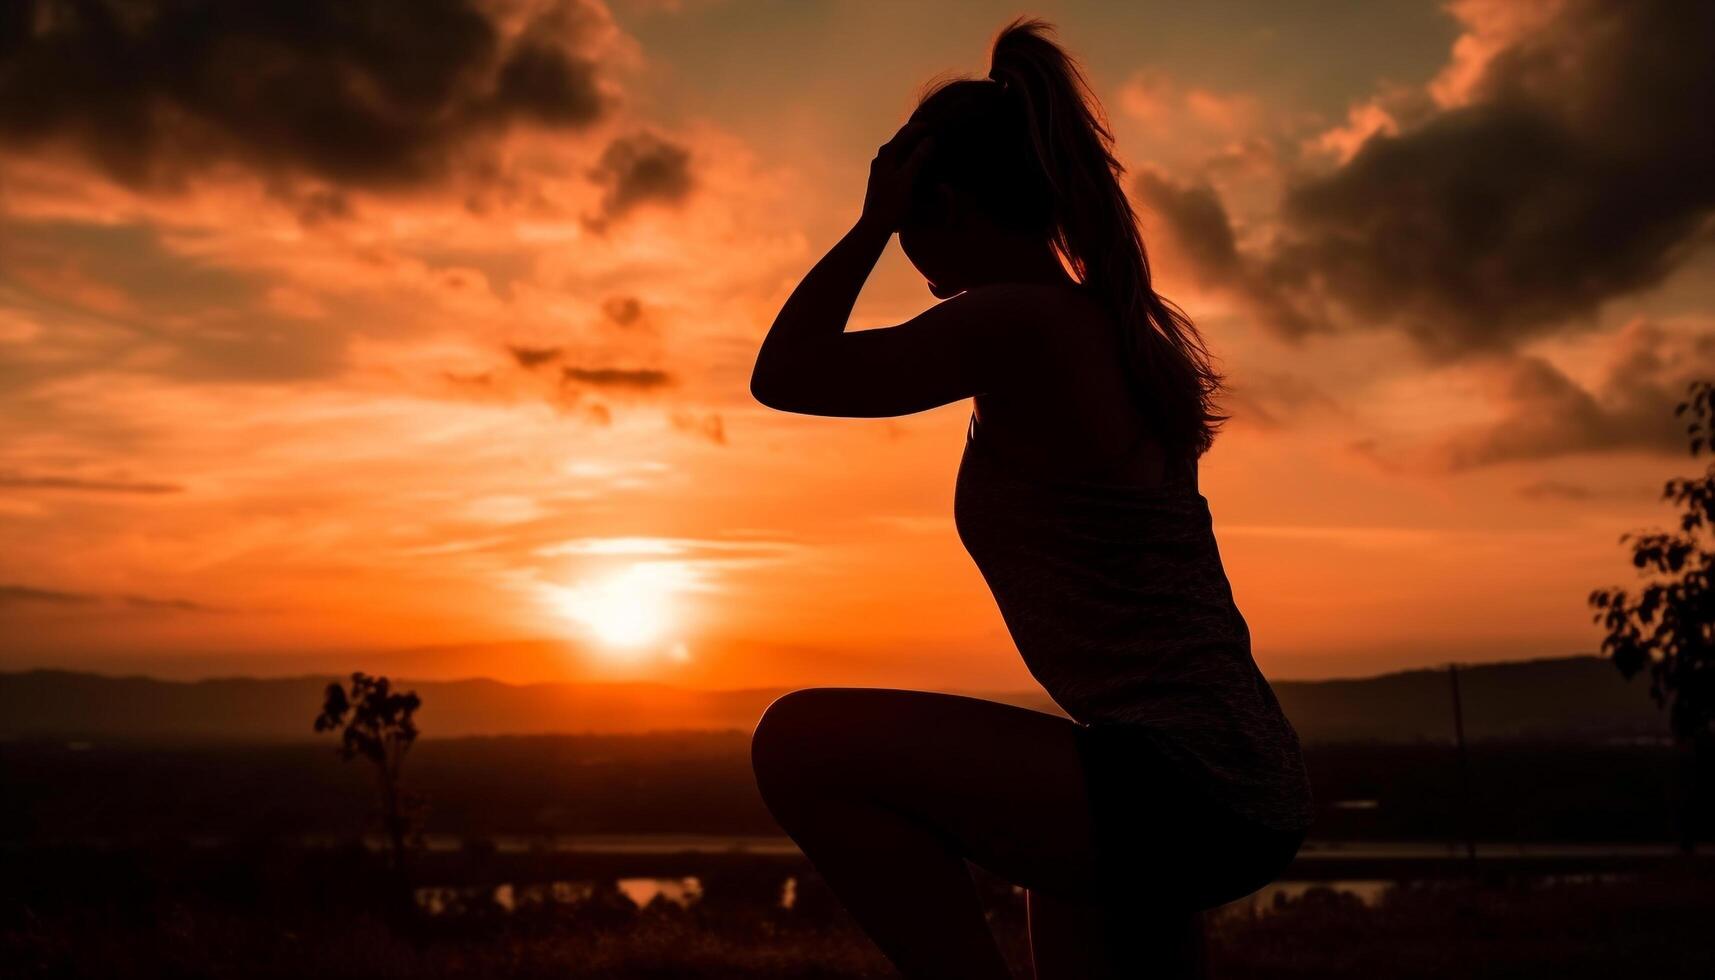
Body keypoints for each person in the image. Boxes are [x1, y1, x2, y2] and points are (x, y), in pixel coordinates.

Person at [747, 18, 1312, 980]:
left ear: (954, 204)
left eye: (914, 217)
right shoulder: (1091, 323)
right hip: (1218, 777)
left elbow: (787, 374)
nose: (906, 243)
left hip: (1176, 782)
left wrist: (869, 221)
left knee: (798, 744)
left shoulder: (1022, 323)